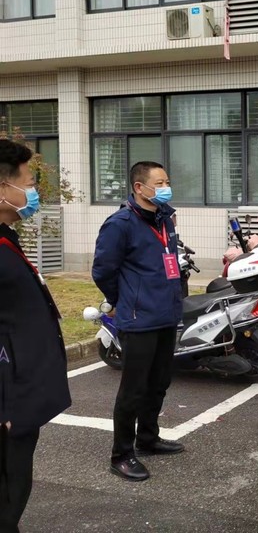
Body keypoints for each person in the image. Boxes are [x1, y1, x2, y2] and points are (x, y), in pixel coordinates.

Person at [92, 161, 185, 482]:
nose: (165, 188)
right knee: (133, 390)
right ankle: (121, 454)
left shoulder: (164, 218)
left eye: (167, 181)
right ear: (139, 188)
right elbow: (103, 270)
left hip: (166, 315)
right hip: (138, 318)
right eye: (159, 183)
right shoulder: (120, 224)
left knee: (159, 383)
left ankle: (148, 438)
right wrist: (123, 300)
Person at [0, 139, 71, 532]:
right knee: (8, 494)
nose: (33, 192)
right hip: (9, 403)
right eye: (28, 183)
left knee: (15, 489)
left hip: (21, 396)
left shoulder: (6, 236)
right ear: (3, 188)